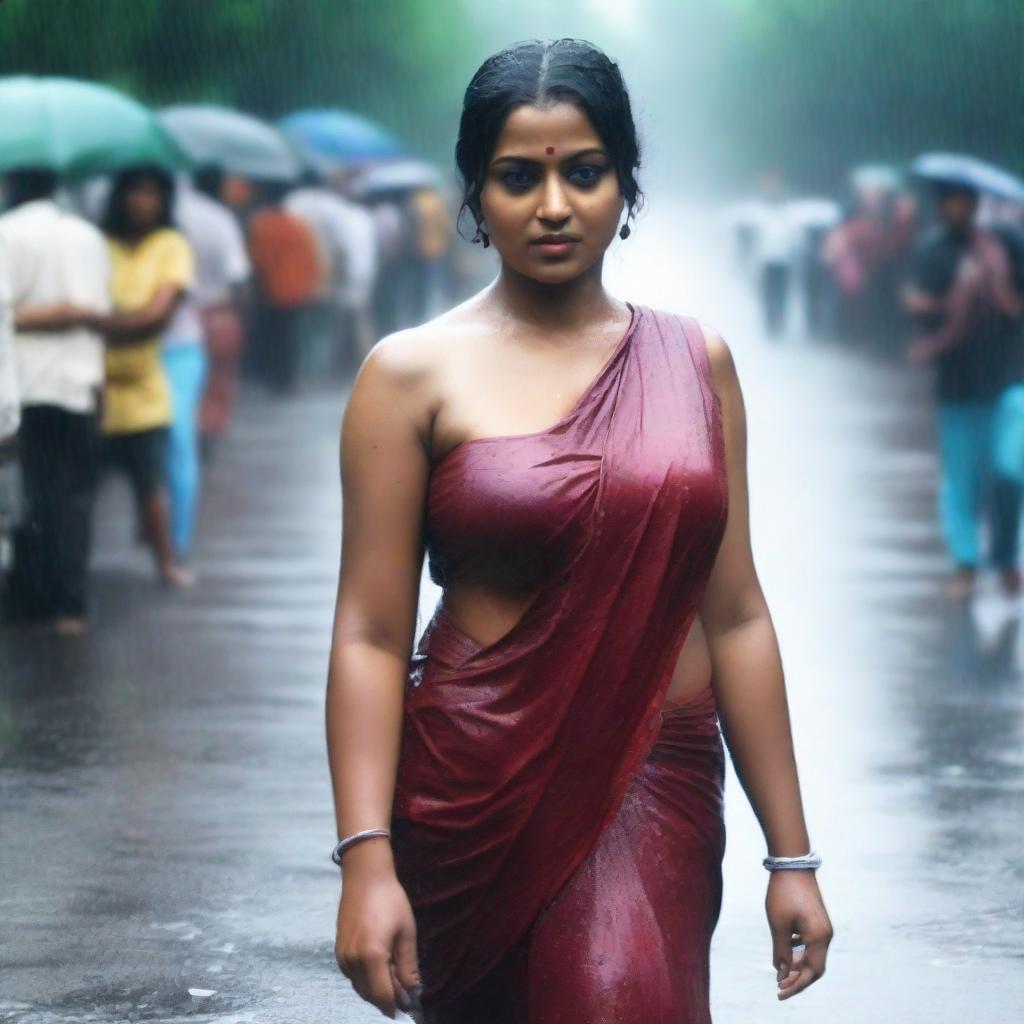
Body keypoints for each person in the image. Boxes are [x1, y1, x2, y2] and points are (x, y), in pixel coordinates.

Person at [326, 38, 832, 1024]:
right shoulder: (408, 375)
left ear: (624, 185)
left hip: (659, 783)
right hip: (473, 787)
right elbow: (371, 635)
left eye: (583, 172)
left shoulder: (696, 363)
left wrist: (793, 854)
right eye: (519, 177)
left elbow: (733, 615)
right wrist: (365, 859)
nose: (553, 204)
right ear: (476, 193)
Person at [0, 168, 111, 633]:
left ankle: (31, 598)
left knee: (32, 496)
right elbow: (98, 311)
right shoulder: (88, 235)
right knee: (75, 495)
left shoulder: (6, 233)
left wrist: (48, 316)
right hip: (80, 382)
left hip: (28, 385)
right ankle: (71, 604)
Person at [904, 181, 1024, 599]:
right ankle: (966, 563)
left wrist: (994, 286)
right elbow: (917, 305)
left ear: (973, 203)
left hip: (1010, 380)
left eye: (962, 199)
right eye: (947, 200)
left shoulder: (1006, 244)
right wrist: (951, 301)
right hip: (957, 385)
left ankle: (1007, 559)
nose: (954, 207)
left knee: (1011, 470)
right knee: (961, 481)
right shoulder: (933, 251)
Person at [93, 164, 195, 587]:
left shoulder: (170, 244)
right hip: (94, 388)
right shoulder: (98, 244)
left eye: (151, 193)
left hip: (142, 389)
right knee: (82, 487)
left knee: (150, 484)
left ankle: (166, 561)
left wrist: (92, 321)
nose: (140, 200)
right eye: (133, 192)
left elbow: (157, 315)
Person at [245, 179, 321, 394]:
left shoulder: (261, 224)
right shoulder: (297, 224)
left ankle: (275, 377)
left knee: (274, 337)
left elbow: (256, 259)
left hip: (271, 290)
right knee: (290, 337)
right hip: (295, 290)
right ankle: (289, 377)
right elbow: (310, 257)